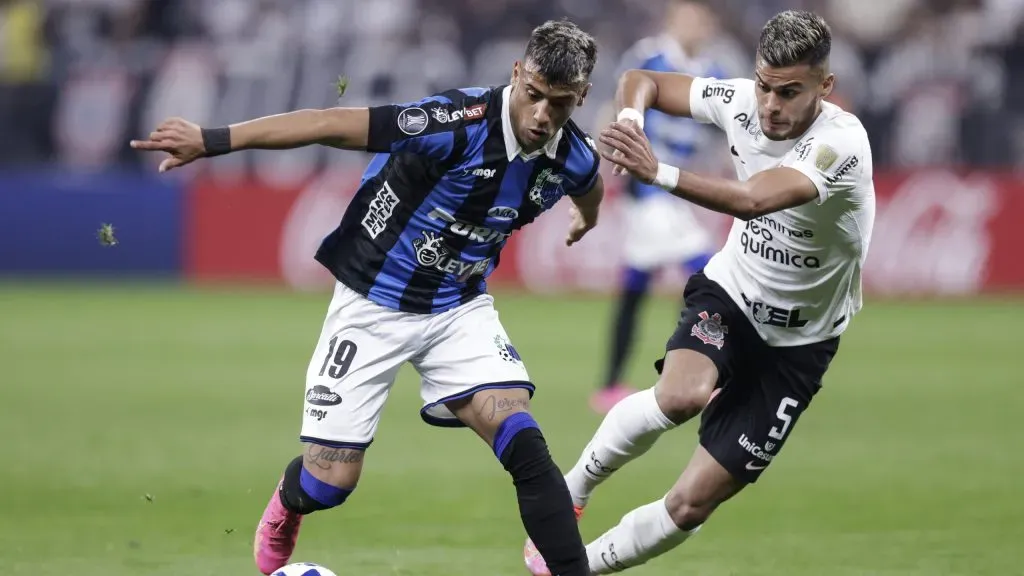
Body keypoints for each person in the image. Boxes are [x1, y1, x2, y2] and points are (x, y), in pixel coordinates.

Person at [131, 20, 604, 576]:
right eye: (534, 96)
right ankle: (288, 503)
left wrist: (584, 218)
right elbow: (330, 122)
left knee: (523, 440)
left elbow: (589, 186)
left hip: (457, 307)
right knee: (330, 482)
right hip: (372, 301)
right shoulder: (455, 122)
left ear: (582, 99)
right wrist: (213, 140)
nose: (543, 116)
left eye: (561, 104)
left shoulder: (574, 155)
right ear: (517, 74)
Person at [524, 10, 875, 574]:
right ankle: (572, 491)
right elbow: (645, 78)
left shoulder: (841, 142)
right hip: (731, 295)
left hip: (800, 344)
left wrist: (656, 171)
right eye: (764, 86)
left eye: (790, 92)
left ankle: (579, 567)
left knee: (690, 505)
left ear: (824, 87)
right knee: (681, 395)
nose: (770, 106)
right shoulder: (741, 101)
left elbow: (755, 199)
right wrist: (634, 117)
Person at [592, 0, 725, 415]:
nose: (696, 25)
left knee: (636, 283)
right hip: (646, 187)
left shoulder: (714, 71)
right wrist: (604, 155)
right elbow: (615, 106)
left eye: (702, 19)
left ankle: (610, 384)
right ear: (673, 19)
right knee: (709, 274)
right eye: (689, 16)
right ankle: (700, 375)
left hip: (676, 187)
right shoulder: (648, 57)